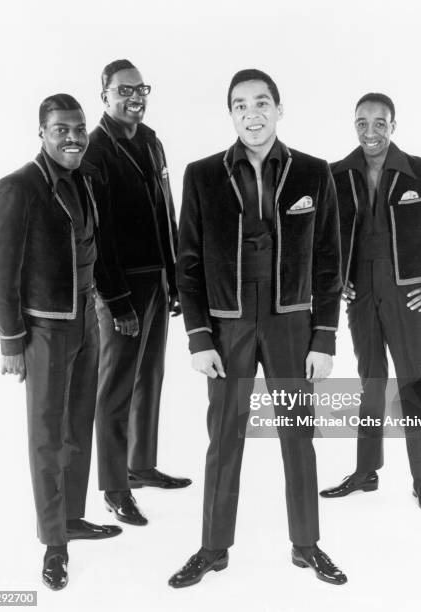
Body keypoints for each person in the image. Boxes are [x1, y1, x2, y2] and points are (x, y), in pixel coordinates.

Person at [169, 69, 347, 588]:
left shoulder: (315, 173)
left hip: (293, 323)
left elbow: (330, 262)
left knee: (299, 435)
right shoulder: (202, 175)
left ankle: (307, 546)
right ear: (231, 114)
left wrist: (325, 337)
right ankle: (212, 548)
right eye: (241, 105)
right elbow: (189, 263)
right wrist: (199, 337)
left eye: (262, 102)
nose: (253, 113)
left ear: (279, 108)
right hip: (227, 327)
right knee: (224, 438)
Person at [0, 94, 123, 591]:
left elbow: (92, 249)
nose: (73, 137)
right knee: (46, 435)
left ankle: (72, 518)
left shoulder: (85, 179)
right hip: (43, 329)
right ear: (41, 132)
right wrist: (10, 340)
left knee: (77, 424)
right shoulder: (19, 187)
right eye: (61, 129)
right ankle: (53, 543)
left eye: (80, 128)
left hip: (86, 318)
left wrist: (109, 304)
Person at [320, 93, 421, 512]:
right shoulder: (338, 173)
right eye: (361, 123)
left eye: (379, 122)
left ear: (394, 125)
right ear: (353, 125)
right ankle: (365, 471)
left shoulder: (420, 171)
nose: (370, 132)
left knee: (412, 382)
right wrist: (338, 281)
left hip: (408, 294)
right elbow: (321, 239)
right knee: (370, 381)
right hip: (360, 293)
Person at [85, 59, 191, 527]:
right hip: (120, 288)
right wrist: (117, 300)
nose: (135, 97)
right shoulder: (94, 151)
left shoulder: (151, 141)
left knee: (151, 377)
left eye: (141, 89)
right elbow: (98, 235)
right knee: (116, 387)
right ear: (104, 94)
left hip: (158, 279)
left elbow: (167, 214)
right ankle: (113, 486)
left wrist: (176, 278)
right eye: (124, 90)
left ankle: (141, 464)